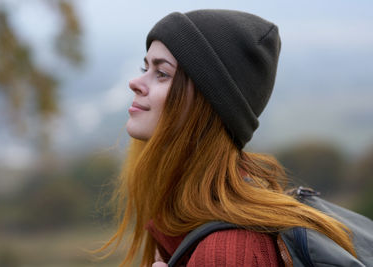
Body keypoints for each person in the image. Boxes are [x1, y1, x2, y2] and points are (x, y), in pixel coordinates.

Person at [98, 9, 356, 266]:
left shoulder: (228, 253)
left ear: (208, 103)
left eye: (162, 73)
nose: (135, 82)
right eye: (145, 67)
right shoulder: (180, 217)